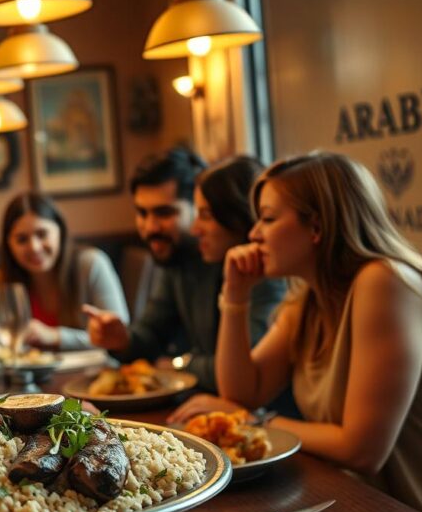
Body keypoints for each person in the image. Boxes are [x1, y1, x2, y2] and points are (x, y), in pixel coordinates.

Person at [177, 151, 422, 512]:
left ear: (316, 226)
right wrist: (235, 295)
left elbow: (362, 449)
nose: (253, 234)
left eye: (268, 219)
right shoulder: (309, 300)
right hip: (373, 510)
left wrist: (252, 420)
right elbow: (241, 391)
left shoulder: (386, 282)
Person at [84, 148, 284, 392]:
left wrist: (178, 365)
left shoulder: (264, 270)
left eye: (164, 212)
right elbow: (152, 333)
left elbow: (244, 370)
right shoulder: (178, 258)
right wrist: (121, 340)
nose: (149, 227)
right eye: (142, 213)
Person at [0, 192, 129, 351]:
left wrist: (55, 336)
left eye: (42, 234)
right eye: (22, 239)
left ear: (60, 231)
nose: (34, 247)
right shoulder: (1, 281)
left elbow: (120, 337)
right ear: (8, 244)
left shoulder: (92, 264)